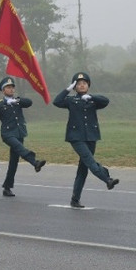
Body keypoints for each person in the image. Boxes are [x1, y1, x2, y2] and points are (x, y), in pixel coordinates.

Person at [53, 72, 119, 208]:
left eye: (84, 83)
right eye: (78, 84)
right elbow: (57, 102)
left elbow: (106, 101)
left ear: (88, 85)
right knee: (90, 161)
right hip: (76, 137)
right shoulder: (71, 100)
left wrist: (91, 97)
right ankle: (107, 179)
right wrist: (67, 89)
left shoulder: (93, 100)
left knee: (83, 169)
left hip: (91, 136)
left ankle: (75, 199)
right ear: (75, 87)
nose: (82, 85)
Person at [0, 77, 47, 197]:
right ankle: (34, 162)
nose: (11, 89)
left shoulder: (18, 101)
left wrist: (17, 101)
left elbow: (29, 102)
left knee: (14, 162)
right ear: (3, 90)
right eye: (8, 87)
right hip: (8, 134)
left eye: (12, 87)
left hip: (19, 133)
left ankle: (7, 187)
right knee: (20, 148)